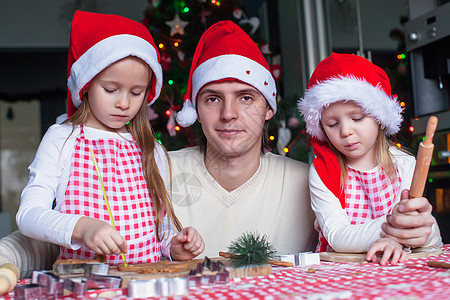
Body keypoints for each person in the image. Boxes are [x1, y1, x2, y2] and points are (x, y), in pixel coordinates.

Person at [15, 10, 204, 266]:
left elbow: (161, 229)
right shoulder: (62, 138)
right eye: (110, 89)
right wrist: (82, 228)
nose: (124, 103)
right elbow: (28, 215)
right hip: (86, 284)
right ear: (86, 84)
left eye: (136, 92)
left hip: (147, 284)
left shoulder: (152, 150)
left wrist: (173, 246)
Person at [172, 20, 317, 257]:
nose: (228, 114)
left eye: (246, 98)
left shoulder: (310, 183)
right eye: (213, 99)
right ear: (196, 110)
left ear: (269, 109)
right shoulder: (157, 172)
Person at [298, 52, 442, 265]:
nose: (346, 131)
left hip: (396, 270)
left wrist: (422, 229)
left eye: (357, 118)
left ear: (379, 117)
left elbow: (431, 242)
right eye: (332, 124)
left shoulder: (404, 165)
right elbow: (338, 236)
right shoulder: (322, 171)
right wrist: (392, 230)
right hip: (341, 272)